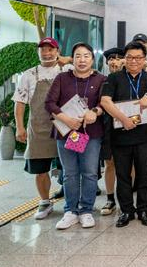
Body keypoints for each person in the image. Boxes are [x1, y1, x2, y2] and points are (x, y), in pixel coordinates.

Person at [44, 42, 106, 229]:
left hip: (91, 134)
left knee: (90, 173)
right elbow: (49, 103)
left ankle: (86, 210)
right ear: (73, 59)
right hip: (66, 133)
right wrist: (67, 120)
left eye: (86, 56)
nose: (82, 60)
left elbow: (104, 103)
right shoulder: (62, 78)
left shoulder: (101, 79)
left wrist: (95, 111)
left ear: (92, 59)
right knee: (69, 173)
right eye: (78, 56)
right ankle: (70, 211)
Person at [100, 41, 147, 227]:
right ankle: (126, 211)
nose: (134, 61)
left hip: (145, 137)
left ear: (144, 59)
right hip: (121, 135)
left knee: (144, 175)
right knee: (123, 175)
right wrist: (124, 119)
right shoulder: (114, 78)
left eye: (138, 58)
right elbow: (105, 101)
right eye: (130, 57)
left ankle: (144, 210)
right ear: (124, 59)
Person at [13, 37, 69, 221]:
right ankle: (45, 201)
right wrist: (19, 127)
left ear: (57, 51)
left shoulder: (67, 70)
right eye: (42, 50)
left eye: (50, 49)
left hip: (67, 127)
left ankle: (73, 202)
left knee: (73, 166)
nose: (46, 53)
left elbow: (88, 67)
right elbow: (20, 102)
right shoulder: (28, 74)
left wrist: (68, 59)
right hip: (38, 128)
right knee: (40, 169)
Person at [99, 47, 125, 216]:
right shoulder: (101, 80)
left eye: (118, 58)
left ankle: (128, 198)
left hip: (128, 125)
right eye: (111, 59)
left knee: (130, 164)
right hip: (107, 126)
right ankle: (110, 198)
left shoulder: (130, 79)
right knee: (110, 163)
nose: (115, 62)